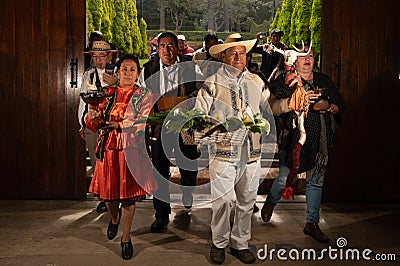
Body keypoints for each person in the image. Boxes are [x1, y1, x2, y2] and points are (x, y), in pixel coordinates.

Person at [194, 33, 291, 264]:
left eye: (242, 53)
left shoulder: (256, 82)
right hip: (223, 152)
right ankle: (219, 243)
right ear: (224, 57)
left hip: (252, 153)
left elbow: (272, 107)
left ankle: (240, 243)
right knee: (223, 201)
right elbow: (198, 115)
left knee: (247, 201)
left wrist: (289, 104)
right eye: (233, 53)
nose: (239, 57)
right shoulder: (212, 83)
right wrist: (218, 132)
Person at [260, 44, 344, 244]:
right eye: (303, 56)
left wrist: (331, 107)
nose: (308, 59)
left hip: (319, 137)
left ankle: (312, 223)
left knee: (316, 179)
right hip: (294, 138)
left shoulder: (323, 80)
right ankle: (271, 201)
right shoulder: (285, 80)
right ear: (294, 60)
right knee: (283, 178)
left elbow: (339, 103)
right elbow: (274, 108)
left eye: (312, 55)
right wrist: (296, 101)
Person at [85, 54, 158, 260]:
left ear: (138, 73)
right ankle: (114, 219)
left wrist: (120, 125)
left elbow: (142, 121)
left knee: (128, 196)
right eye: (124, 69)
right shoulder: (106, 93)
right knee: (108, 195)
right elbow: (94, 122)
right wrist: (91, 115)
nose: (127, 73)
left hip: (132, 149)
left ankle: (126, 238)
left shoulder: (143, 95)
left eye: (132, 70)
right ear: (117, 72)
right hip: (108, 148)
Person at [139, 32, 201, 233]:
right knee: (159, 170)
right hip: (159, 126)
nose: (167, 50)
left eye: (171, 46)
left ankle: (187, 191)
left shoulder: (191, 66)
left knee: (189, 164)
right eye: (162, 46)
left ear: (178, 48)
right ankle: (161, 214)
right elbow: (139, 96)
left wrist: (191, 99)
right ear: (157, 49)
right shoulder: (147, 70)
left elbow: (202, 89)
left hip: (187, 124)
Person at [79, 40, 119, 214]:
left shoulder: (118, 72)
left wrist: (115, 84)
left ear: (109, 56)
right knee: (97, 164)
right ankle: (104, 197)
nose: (98, 60)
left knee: (113, 164)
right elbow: (83, 102)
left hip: (112, 125)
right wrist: (81, 124)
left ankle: (115, 197)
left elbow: (130, 95)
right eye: (94, 56)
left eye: (101, 55)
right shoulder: (88, 75)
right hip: (93, 124)